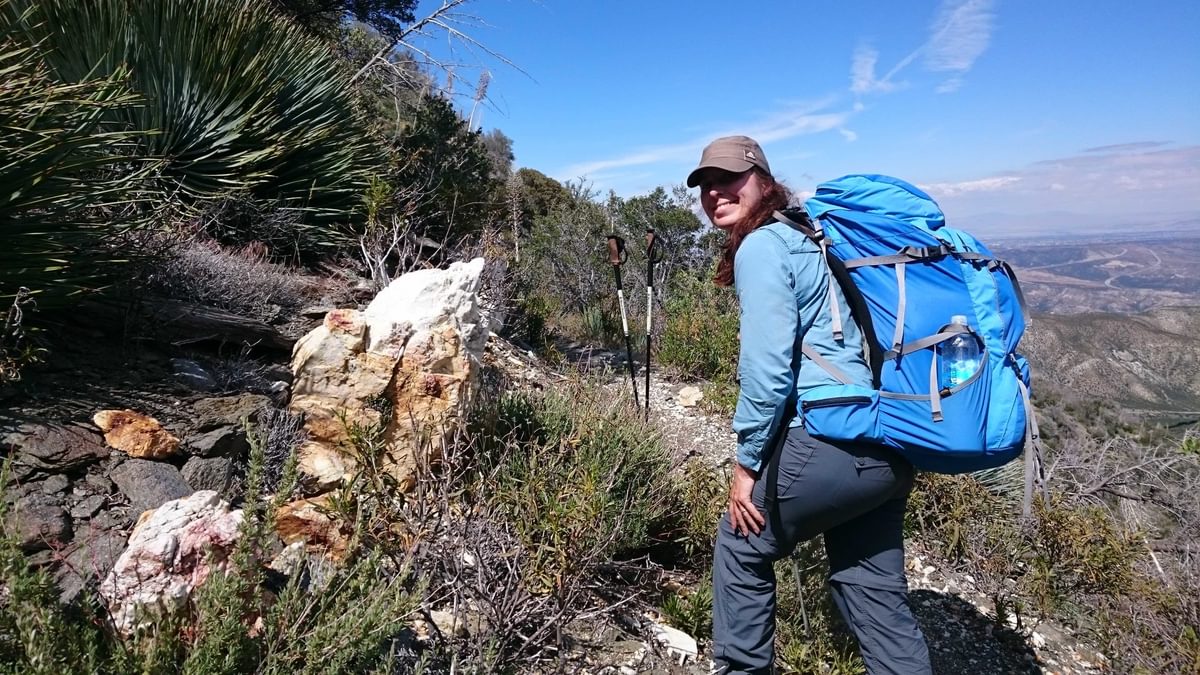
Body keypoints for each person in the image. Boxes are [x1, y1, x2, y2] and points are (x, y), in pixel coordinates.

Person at [687, 136, 932, 675]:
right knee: (873, 592)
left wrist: (746, 465)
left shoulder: (764, 246)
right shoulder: (814, 237)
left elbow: (768, 372)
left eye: (729, 178)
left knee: (741, 546)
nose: (714, 192)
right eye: (705, 184)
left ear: (763, 180)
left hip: (830, 439)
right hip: (888, 443)